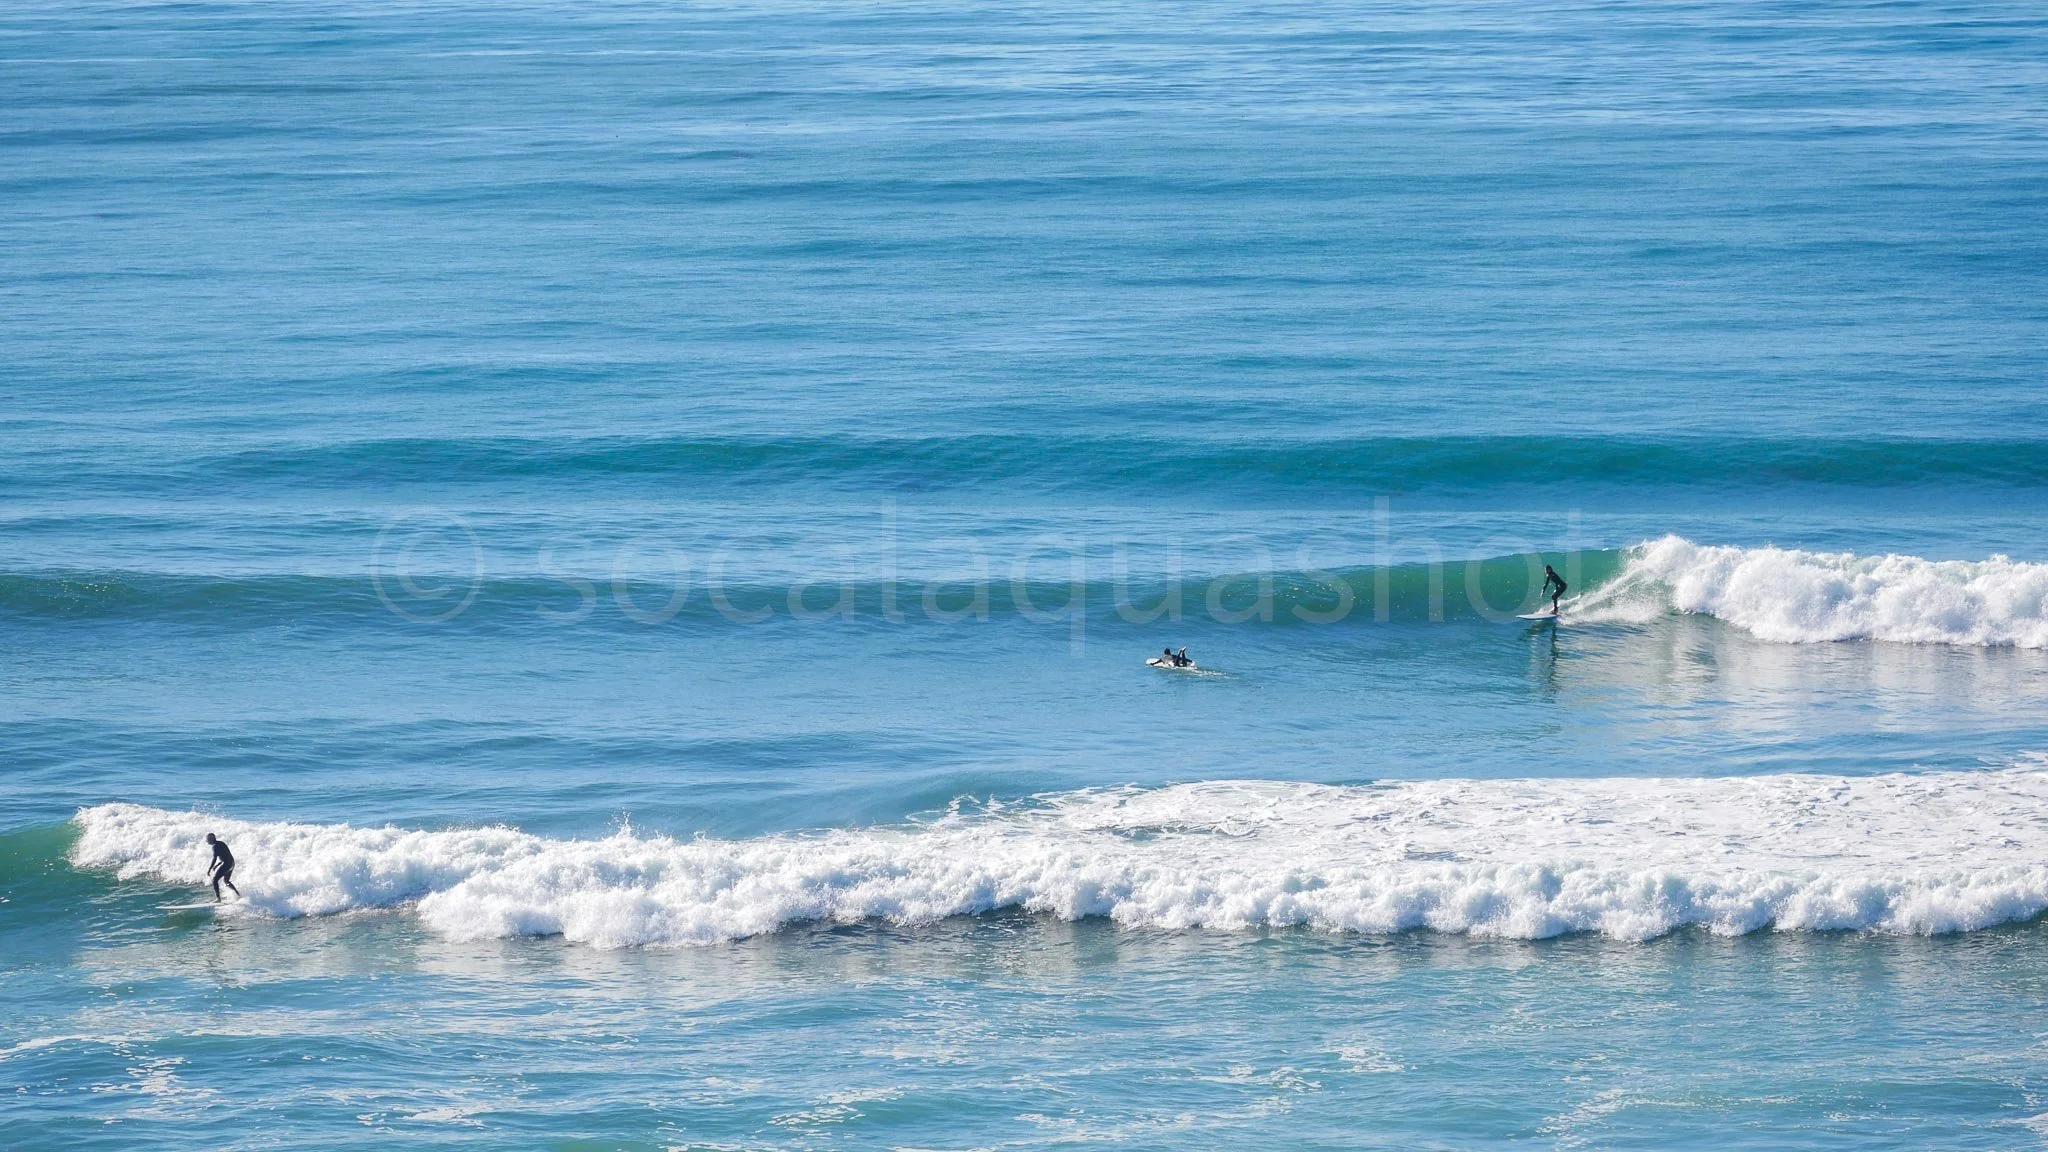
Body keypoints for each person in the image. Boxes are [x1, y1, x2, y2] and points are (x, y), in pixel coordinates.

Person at [205, 832, 240, 902]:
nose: (207, 841)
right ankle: (238, 895)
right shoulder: (221, 843)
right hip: (231, 863)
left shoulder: (215, 846)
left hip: (227, 864)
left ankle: (218, 899)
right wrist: (217, 865)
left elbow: (214, 858)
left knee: (214, 880)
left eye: (208, 840)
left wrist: (209, 869)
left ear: (211, 839)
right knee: (226, 880)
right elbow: (225, 855)